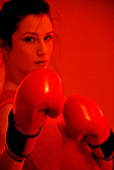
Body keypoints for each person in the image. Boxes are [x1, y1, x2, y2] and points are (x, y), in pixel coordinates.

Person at [0, 0, 113, 170]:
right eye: (30, 39)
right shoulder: (9, 111)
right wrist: (17, 142)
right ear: (4, 45)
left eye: (48, 38)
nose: (43, 50)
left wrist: (105, 141)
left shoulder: (53, 100)